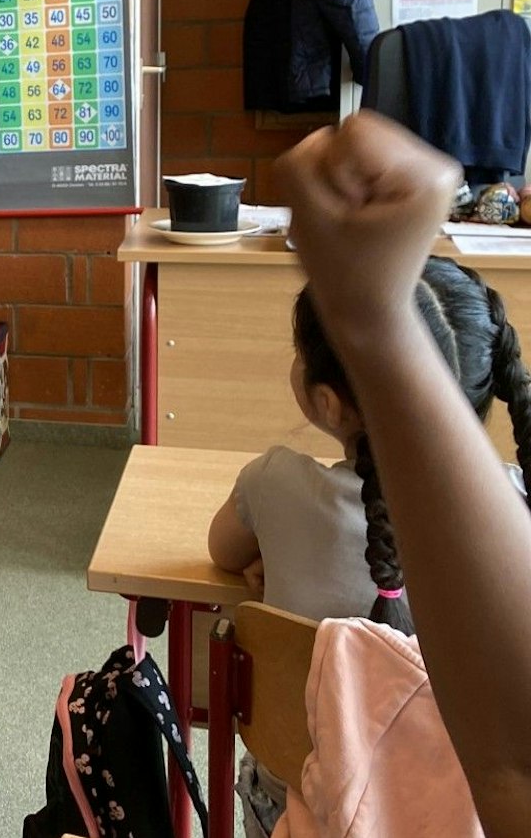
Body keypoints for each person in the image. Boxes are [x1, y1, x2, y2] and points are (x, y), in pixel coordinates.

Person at [207, 256, 530, 835]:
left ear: (328, 404)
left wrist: (276, 550)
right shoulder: (515, 513)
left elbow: (222, 552)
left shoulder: (274, 483)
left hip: (297, 797)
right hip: (459, 811)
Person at [274, 112, 531, 836]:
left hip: (312, 797)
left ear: (326, 402)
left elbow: (516, 758)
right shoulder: (514, 529)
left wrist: (373, 319)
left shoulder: (276, 482)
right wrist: (375, 319)